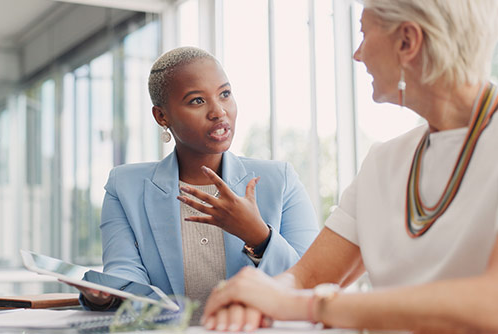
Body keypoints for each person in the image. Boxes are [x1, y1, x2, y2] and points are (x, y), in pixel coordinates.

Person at [201, 0, 498, 332]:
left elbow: (491, 301)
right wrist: (254, 298)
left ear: (406, 42)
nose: (358, 54)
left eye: (364, 33)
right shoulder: (384, 162)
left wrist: (308, 305)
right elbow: (306, 278)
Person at [76, 46, 319, 324]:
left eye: (225, 94)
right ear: (162, 117)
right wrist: (106, 295)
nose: (218, 112)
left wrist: (259, 237)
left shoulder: (280, 180)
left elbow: (313, 282)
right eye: (196, 101)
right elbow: (125, 276)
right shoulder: (125, 187)